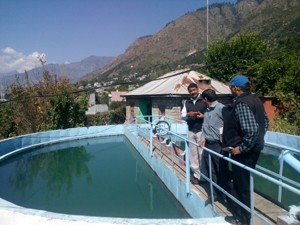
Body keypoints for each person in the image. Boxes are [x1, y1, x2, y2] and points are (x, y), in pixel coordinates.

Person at [222, 74, 269, 225]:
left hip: (244, 152)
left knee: (242, 186)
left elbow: (252, 130)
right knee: (245, 183)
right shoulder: (256, 100)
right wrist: (257, 141)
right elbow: (265, 122)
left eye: (231, 87)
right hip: (253, 149)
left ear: (236, 88)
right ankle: (243, 216)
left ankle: (243, 219)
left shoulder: (242, 103)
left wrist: (241, 149)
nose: (230, 90)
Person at [198, 89, 229, 204]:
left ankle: (224, 195)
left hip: (218, 145)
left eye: (203, 99)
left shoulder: (222, 108)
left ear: (206, 99)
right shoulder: (207, 110)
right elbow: (204, 126)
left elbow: (229, 126)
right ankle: (214, 195)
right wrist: (202, 138)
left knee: (221, 171)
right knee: (210, 170)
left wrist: (225, 143)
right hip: (208, 144)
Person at [181, 83, 207, 184]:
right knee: (193, 154)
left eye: (194, 90)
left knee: (202, 153)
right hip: (191, 130)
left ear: (197, 89)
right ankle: (196, 175)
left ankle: (203, 176)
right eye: (190, 91)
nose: (193, 92)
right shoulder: (187, 102)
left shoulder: (204, 101)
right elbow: (182, 115)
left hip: (201, 131)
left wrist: (203, 116)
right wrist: (188, 114)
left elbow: (209, 114)